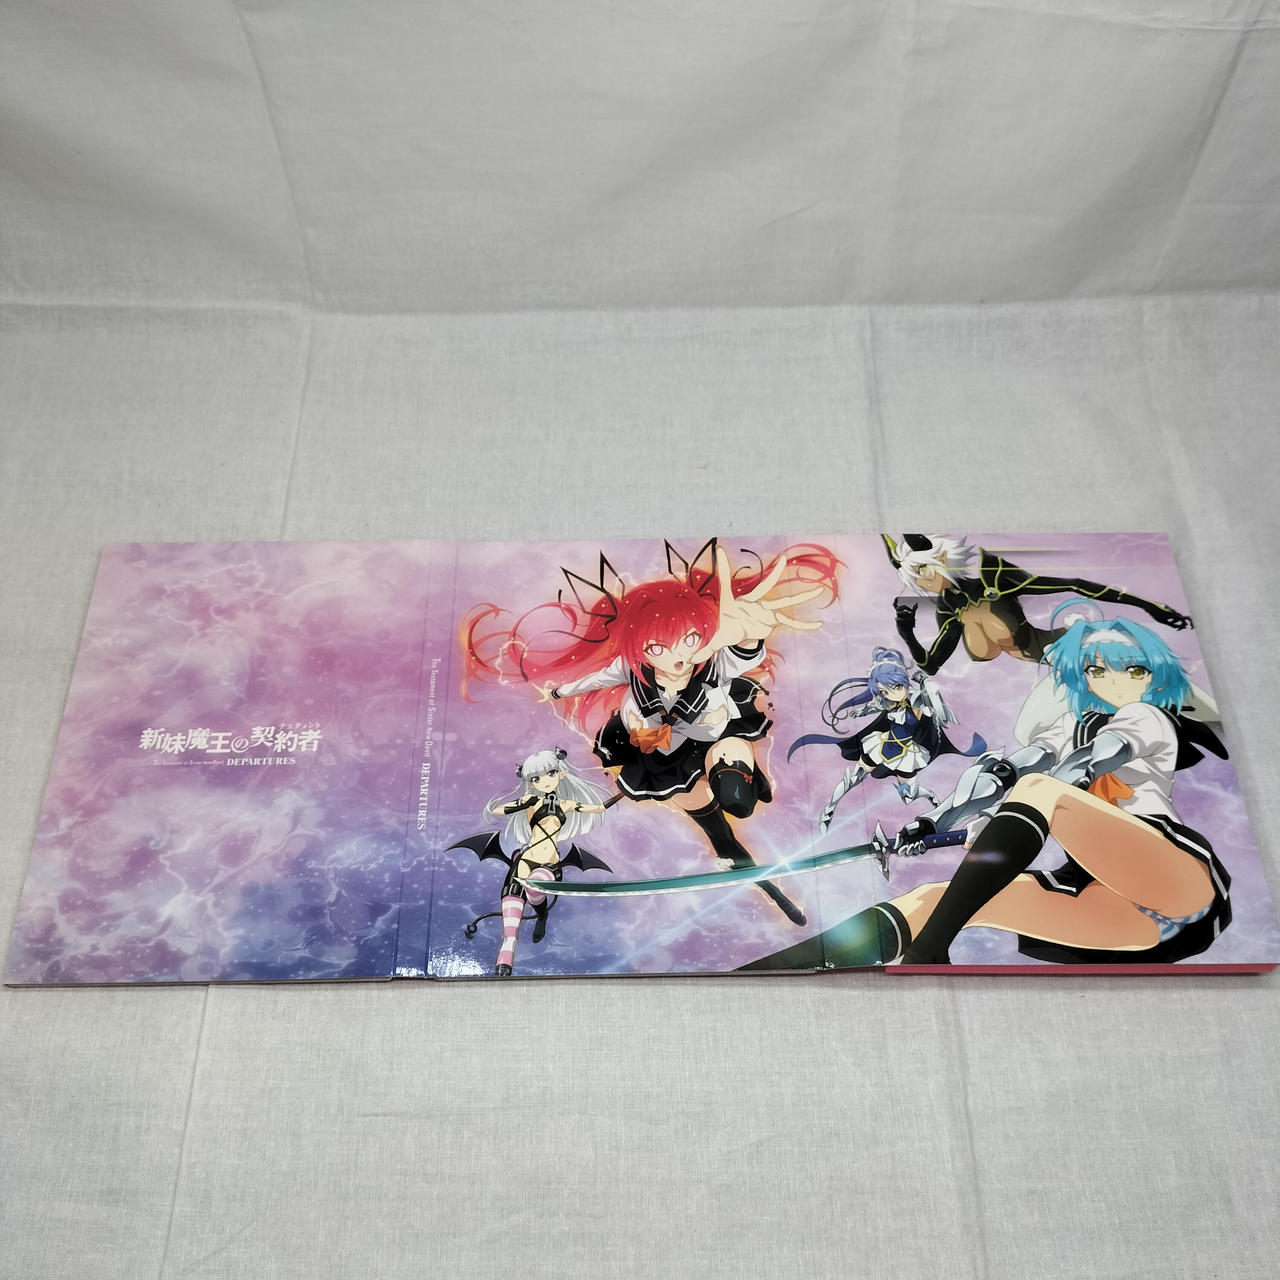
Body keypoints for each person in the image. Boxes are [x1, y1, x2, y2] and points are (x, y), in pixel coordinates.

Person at [742, 614, 1230, 970]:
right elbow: (1007, 769)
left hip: (1171, 874)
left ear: (1155, 674)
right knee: (930, 901)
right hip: (1113, 908)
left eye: (1134, 670)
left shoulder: (1148, 717)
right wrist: (936, 821)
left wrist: (1010, 813)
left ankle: (927, 954)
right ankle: (771, 972)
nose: (1115, 682)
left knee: (1041, 790)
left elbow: (1089, 763)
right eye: (1097, 671)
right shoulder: (1069, 725)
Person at [461, 539, 840, 926]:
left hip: (716, 740)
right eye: (658, 647)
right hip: (668, 760)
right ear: (639, 647)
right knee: (722, 837)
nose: (677, 655)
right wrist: (558, 692)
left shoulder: (713, 663)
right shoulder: (633, 672)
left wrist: (750, 634)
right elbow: (595, 679)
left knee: (737, 800)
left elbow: (742, 652)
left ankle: (753, 779)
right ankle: (774, 891)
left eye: (690, 639)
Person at [787, 645, 985, 830]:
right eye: (884, 691)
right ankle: (829, 811)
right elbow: (872, 706)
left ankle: (928, 794)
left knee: (908, 796)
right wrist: (859, 712)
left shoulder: (918, 702)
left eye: (896, 687)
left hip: (907, 754)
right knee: (853, 779)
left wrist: (927, 683)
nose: (891, 694)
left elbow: (940, 712)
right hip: (883, 745)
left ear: (904, 683)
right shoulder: (887, 702)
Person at [453, 748, 611, 976]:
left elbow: (598, 808)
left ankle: (542, 914)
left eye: (550, 773)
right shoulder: (530, 800)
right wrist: (513, 805)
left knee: (534, 888)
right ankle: (505, 960)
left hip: (549, 864)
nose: (543, 781)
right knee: (511, 920)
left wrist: (626, 791)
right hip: (525, 861)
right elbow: (498, 811)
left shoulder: (566, 804)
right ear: (530, 782)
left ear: (561, 774)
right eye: (535, 778)